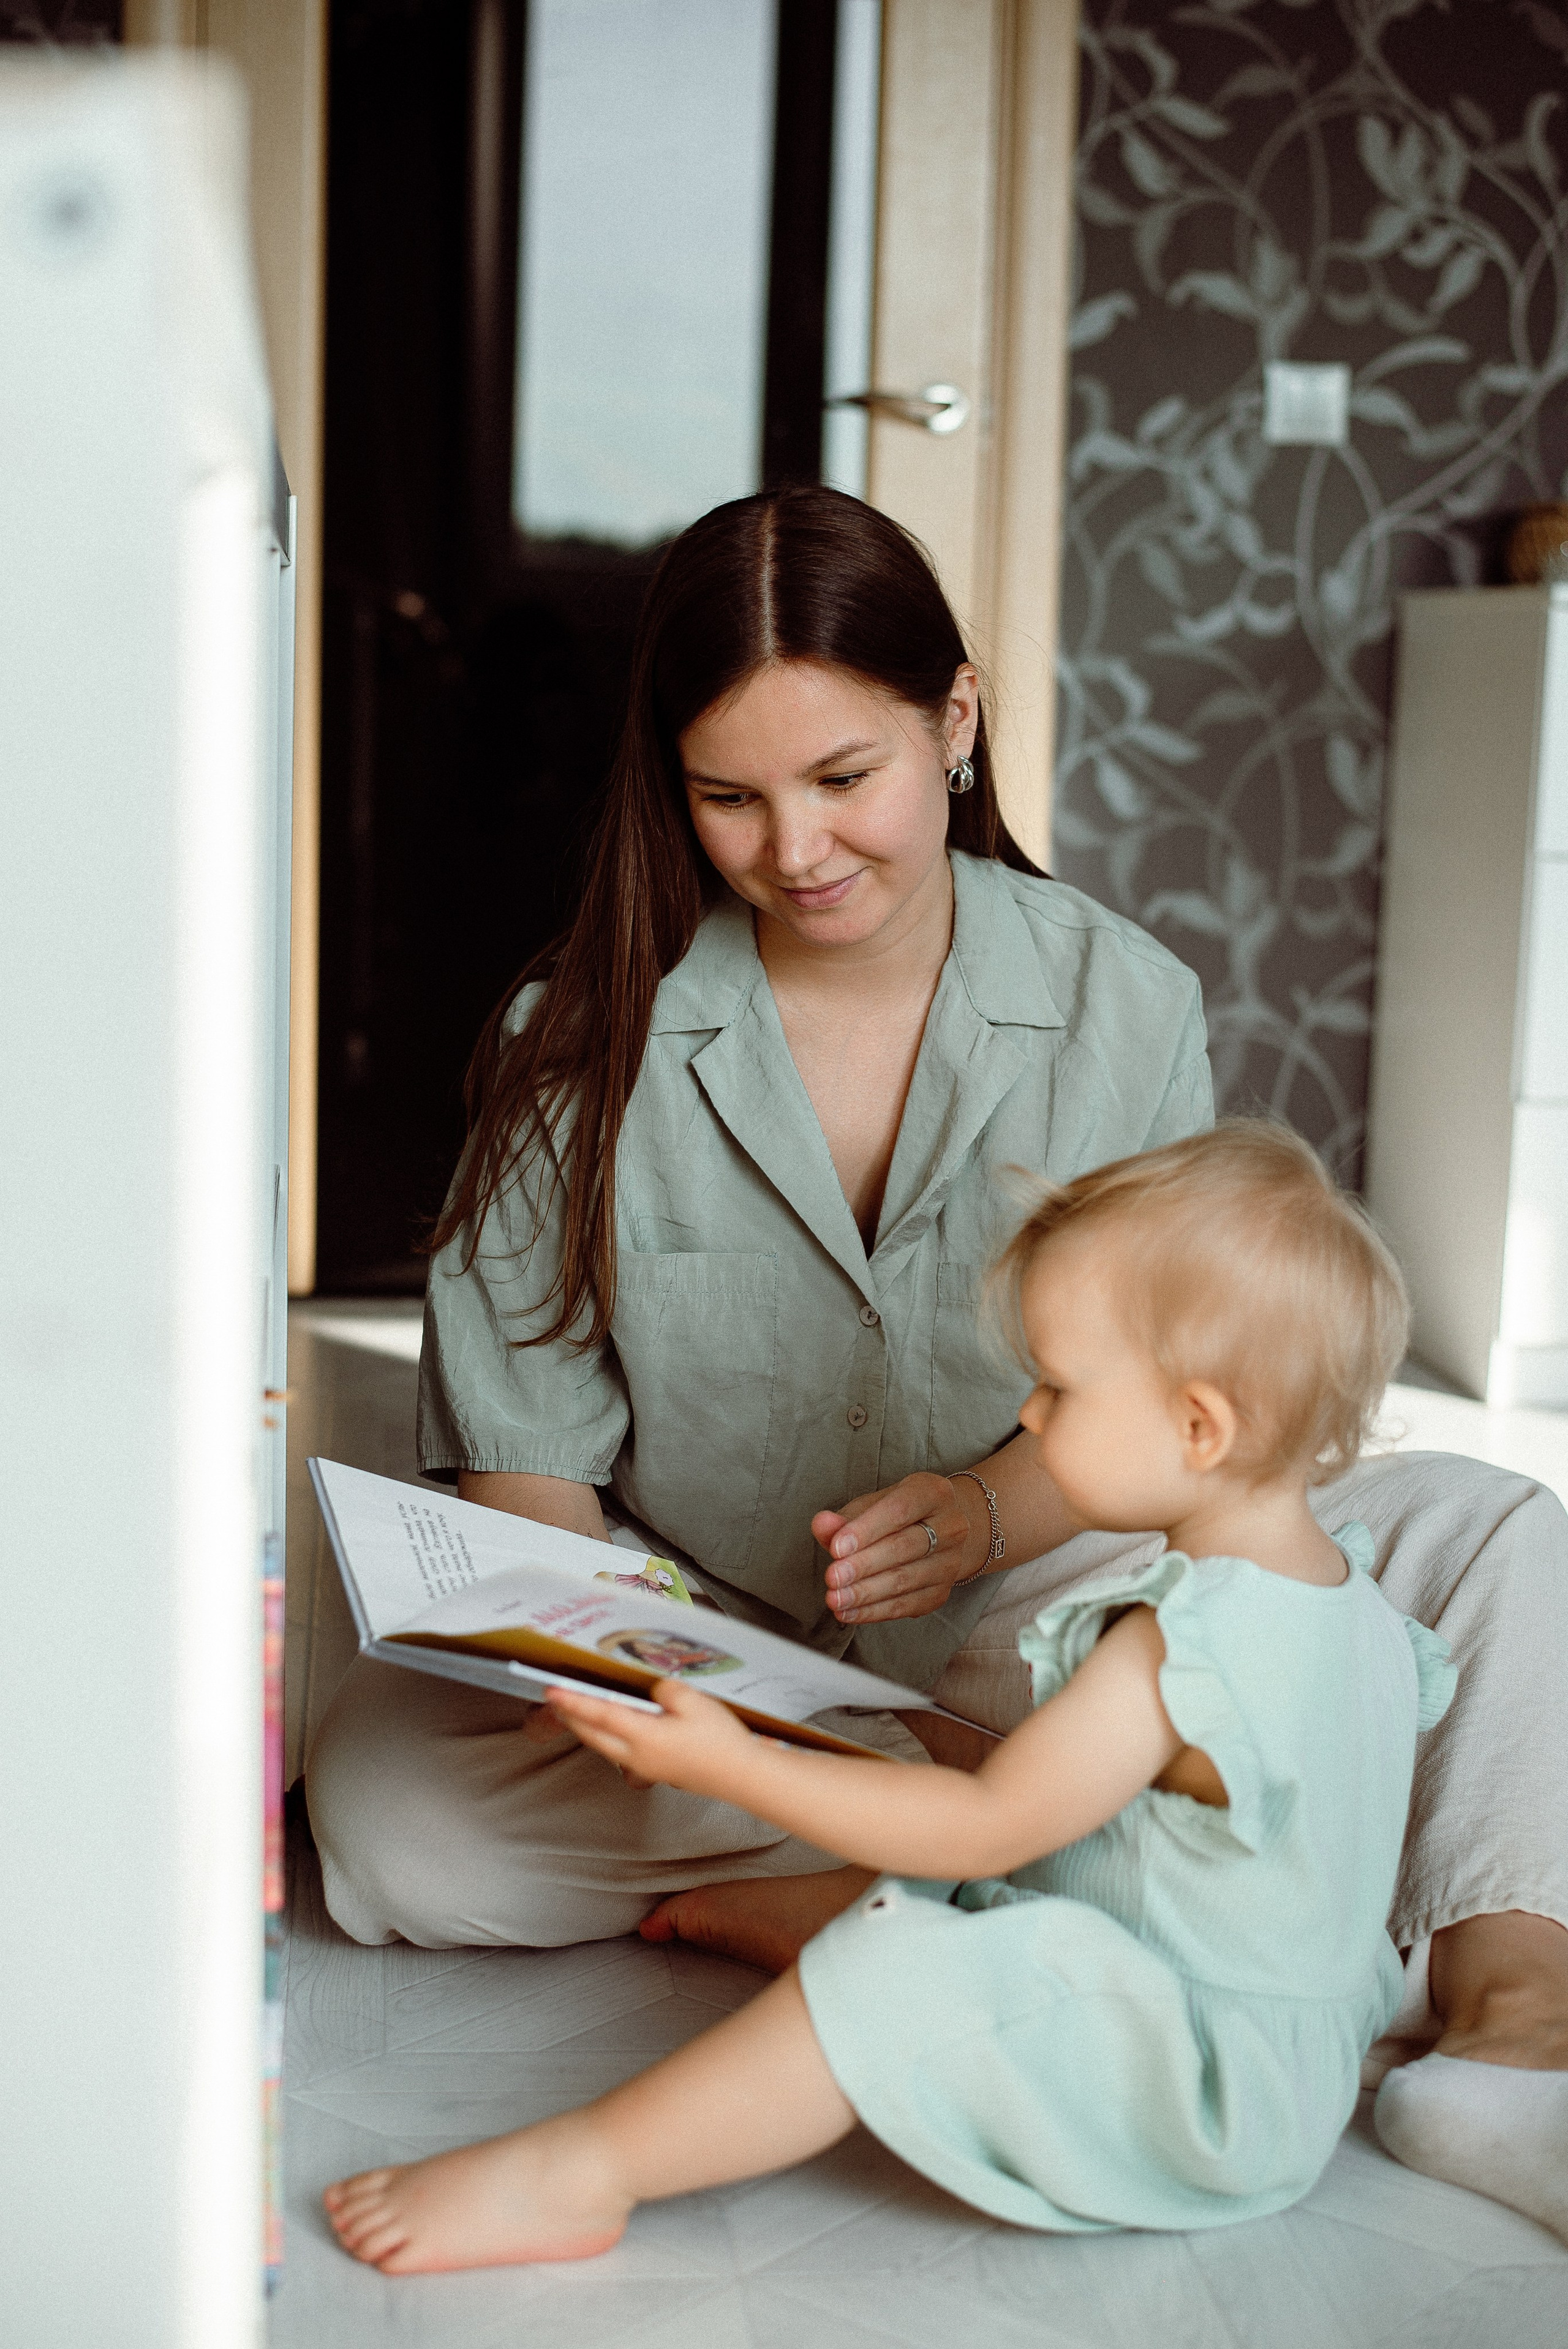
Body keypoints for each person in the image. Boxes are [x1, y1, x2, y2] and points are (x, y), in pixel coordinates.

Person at [306, 486, 1568, 2230]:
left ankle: (1515, 2019)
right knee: (391, 1824)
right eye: (727, 796)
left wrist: (986, 1509)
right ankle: (1030, 1850)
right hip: (739, 1645)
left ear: (955, 721)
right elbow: (528, 1457)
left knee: (1497, 1534)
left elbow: (1178, 1419)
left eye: (845, 780)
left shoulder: (1126, 1001)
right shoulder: (576, 1038)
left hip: (1061, 1610)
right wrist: (616, 1643)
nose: (796, 850)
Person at [323, 1125, 1460, 2272]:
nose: (1032, 1420)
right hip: (1292, 2059)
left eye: (1059, 1389)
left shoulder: (1177, 1652)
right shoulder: (1352, 1602)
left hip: (1197, 2087)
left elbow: (988, 1822)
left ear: (1201, 1427)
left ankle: (578, 2175)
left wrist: (729, 1763)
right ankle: (771, 1917)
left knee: (899, 1967)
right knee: (1011, 1875)